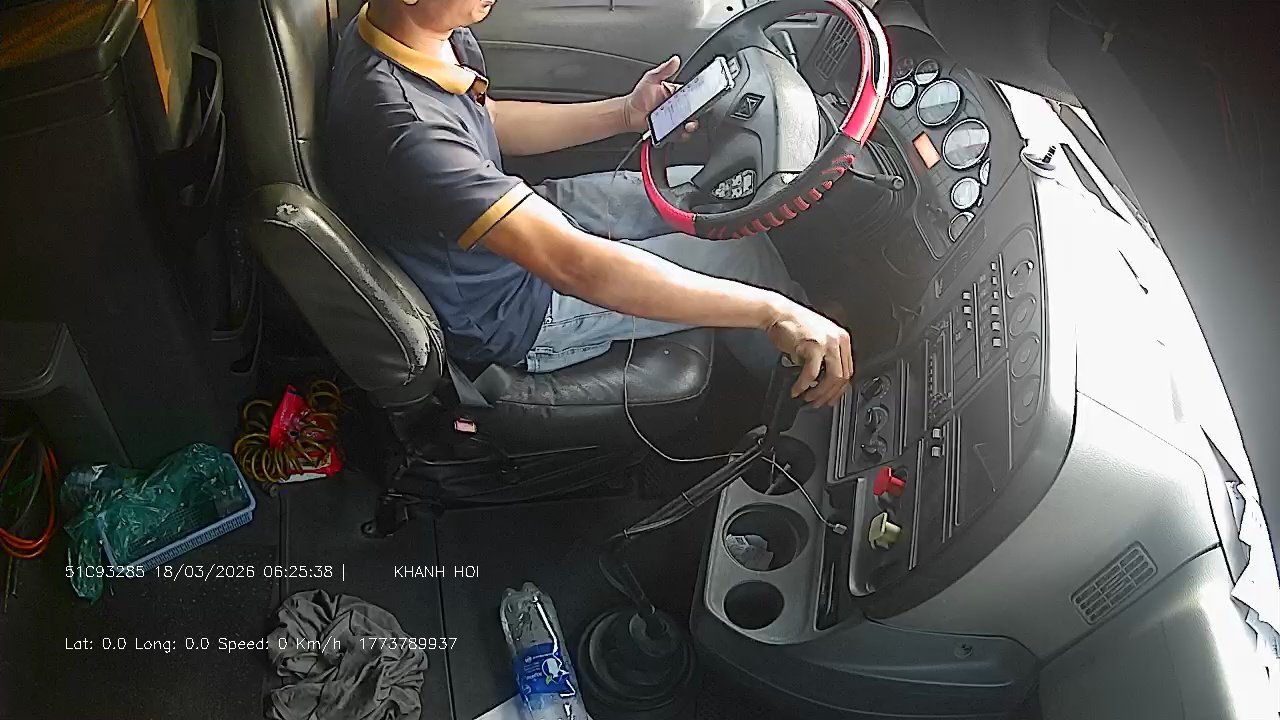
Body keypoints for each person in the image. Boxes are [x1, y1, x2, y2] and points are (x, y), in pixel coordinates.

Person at [324, 0, 854, 406]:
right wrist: (772, 310)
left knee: (707, 196)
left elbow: (488, 120)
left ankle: (799, 329)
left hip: (512, 229)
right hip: (516, 308)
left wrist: (625, 114)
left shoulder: (403, 30)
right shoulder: (410, 129)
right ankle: (812, 391)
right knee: (739, 258)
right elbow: (573, 264)